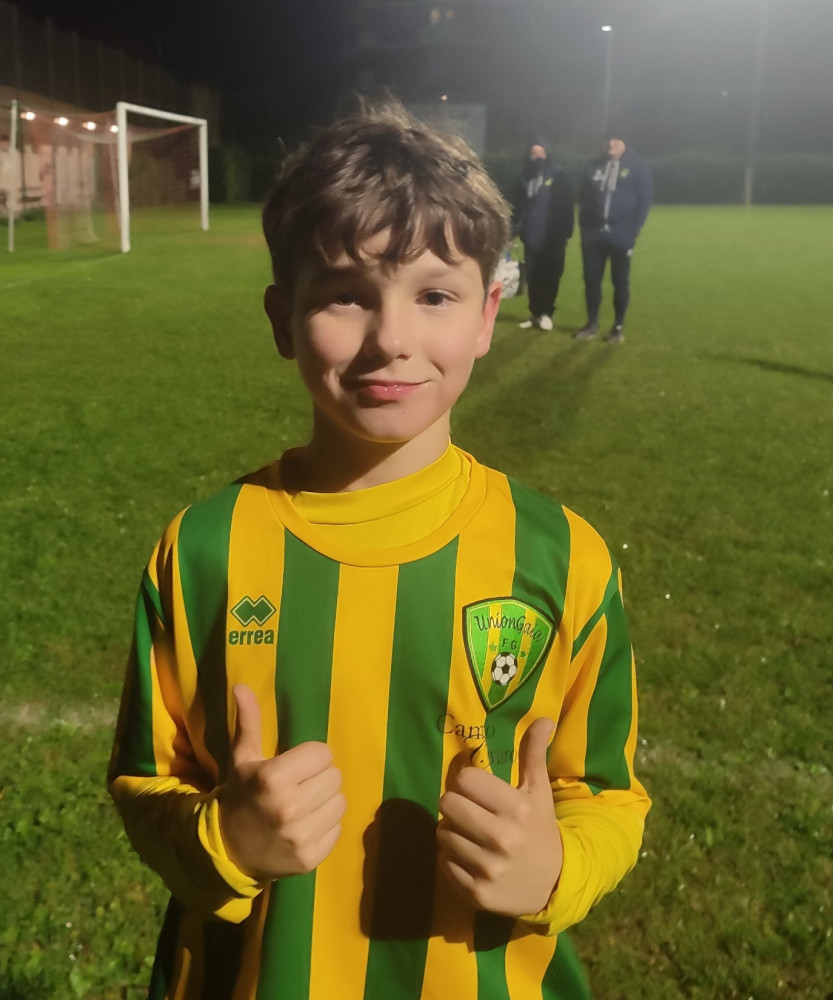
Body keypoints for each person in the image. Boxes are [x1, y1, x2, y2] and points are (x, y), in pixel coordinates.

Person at [108, 101, 650, 1000]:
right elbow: (145, 781)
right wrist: (225, 840)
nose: (392, 338)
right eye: (345, 294)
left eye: (434, 295)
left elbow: (606, 792)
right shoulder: (203, 550)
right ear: (283, 319)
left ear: (487, 314)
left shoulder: (562, 557)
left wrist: (557, 868)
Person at [574, 131, 653, 343]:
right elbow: (582, 195)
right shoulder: (593, 166)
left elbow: (645, 199)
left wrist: (635, 228)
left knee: (620, 281)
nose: (610, 143)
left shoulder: (638, 166)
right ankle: (592, 323)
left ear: (625, 142)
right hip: (593, 233)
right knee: (591, 280)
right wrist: (585, 226)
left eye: (616, 139)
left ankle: (617, 327)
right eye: (608, 139)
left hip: (621, 233)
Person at [510, 138, 575, 331]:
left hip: (553, 237)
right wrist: (511, 232)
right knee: (533, 277)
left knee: (550, 276)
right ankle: (535, 313)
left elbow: (567, 204)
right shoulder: (522, 176)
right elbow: (517, 207)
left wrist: (566, 231)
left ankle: (547, 313)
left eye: (541, 153)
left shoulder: (558, 174)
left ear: (547, 154)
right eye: (533, 153)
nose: (537, 157)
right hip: (531, 236)